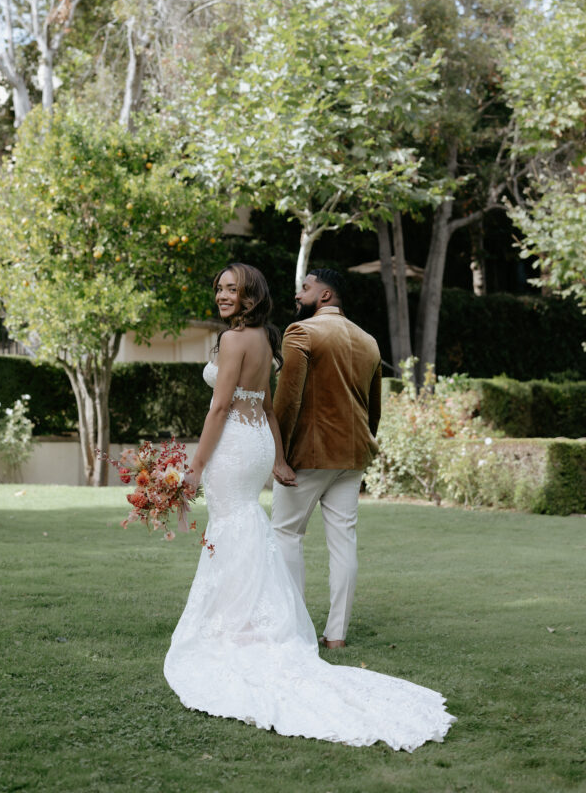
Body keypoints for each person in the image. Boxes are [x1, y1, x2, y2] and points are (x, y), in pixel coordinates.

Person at [164, 263, 455, 749]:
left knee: (258, 530)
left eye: (232, 289)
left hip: (249, 445)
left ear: (253, 295)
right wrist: (277, 454)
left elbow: (232, 407)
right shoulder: (292, 340)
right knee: (274, 530)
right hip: (282, 444)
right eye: (220, 289)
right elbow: (273, 401)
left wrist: (195, 466)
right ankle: (292, 626)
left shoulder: (255, 338)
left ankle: (250, 625)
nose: (222, 295)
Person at [271, 268, 381, 649]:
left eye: (306, 287)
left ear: (326, 296)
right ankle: (336, 635)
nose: (298, 294)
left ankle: (295, 629)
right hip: (353, 457)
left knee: (285, 533)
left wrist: (277, 453)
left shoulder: (301, 332)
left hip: (309, 455)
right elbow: (374, 408)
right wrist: (362, 447)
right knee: (343, 543)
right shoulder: (369, 341)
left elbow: (287, 399)